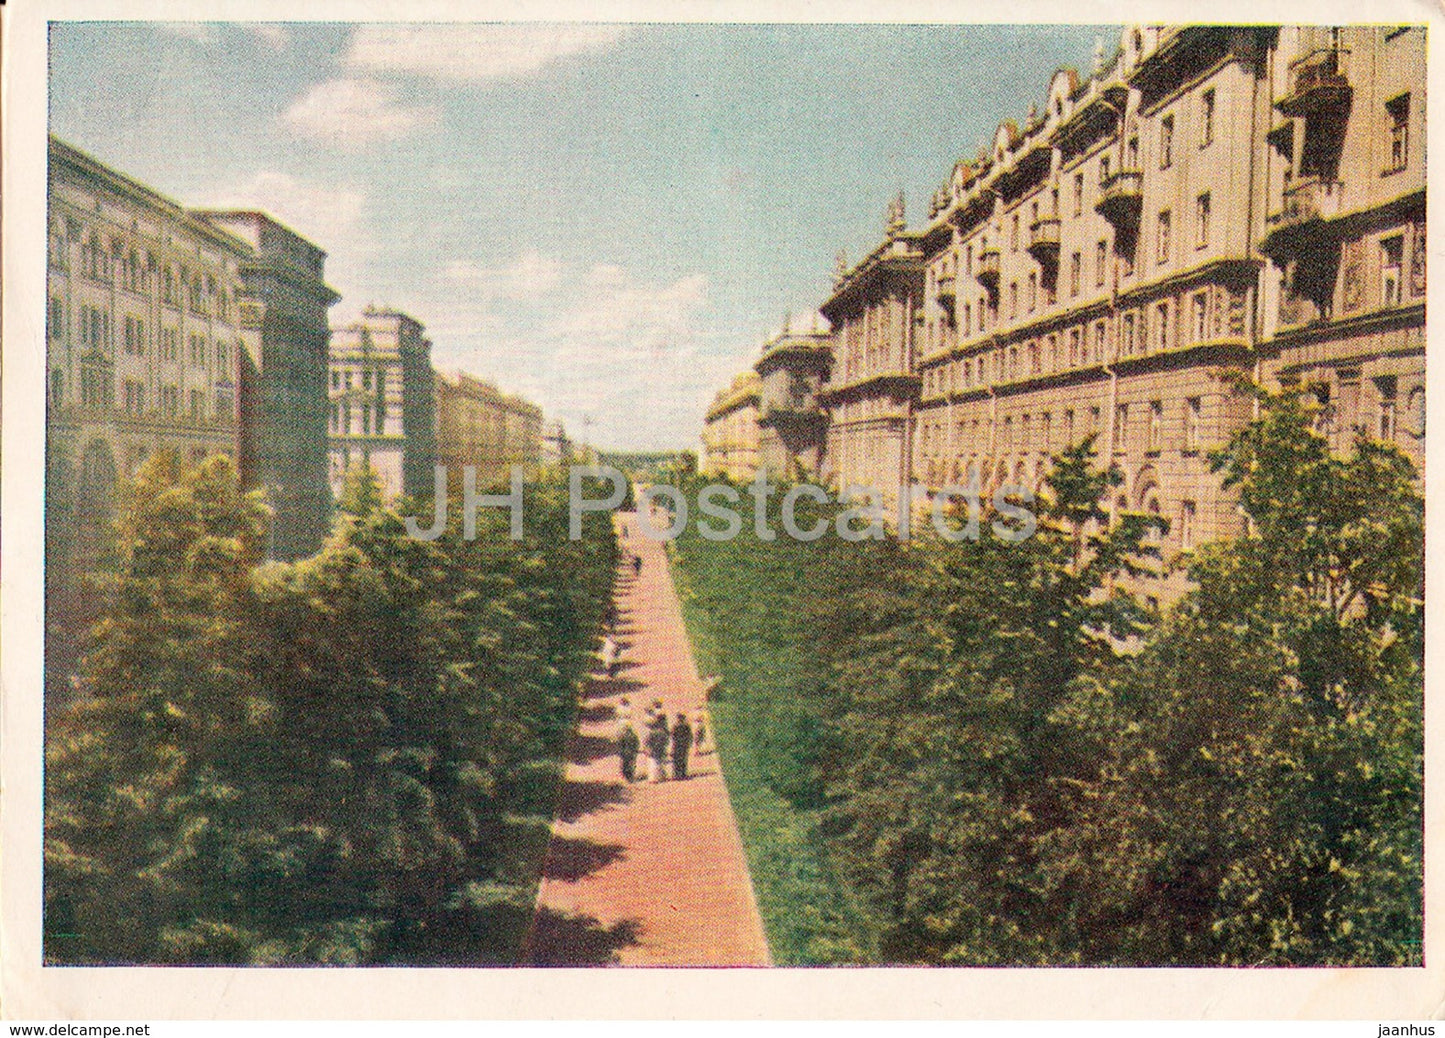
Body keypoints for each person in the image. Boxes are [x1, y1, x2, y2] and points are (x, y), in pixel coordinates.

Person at [645, 715, 670, 783]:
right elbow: (666, 741)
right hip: (661, 749)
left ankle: (652, 778)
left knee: (653, 763)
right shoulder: (663, 732)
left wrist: (647, 749)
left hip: (653, 750)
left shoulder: (652, 733)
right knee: (661, 763)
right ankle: (661, 777)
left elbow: (647, 742)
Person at [671, 713, 694, 780]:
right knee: (684, 759)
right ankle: (683, 773)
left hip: (677, 744)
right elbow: (690, 735)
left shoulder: (675, 726)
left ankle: (676, 774)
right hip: (684, 744)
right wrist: (689, 743)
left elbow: (673, 735)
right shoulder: (687, 725)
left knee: (677, 759)